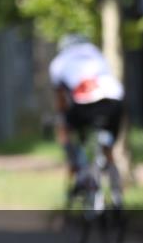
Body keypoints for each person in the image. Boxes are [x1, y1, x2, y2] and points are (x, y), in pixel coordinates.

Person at [49, 33, 125, 205]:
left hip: (85, 103)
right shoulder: (96, 53)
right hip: (114, 102)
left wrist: (62, 120)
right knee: (108, 148)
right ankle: (117, 196)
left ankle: (78, 166)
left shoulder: (58, 63)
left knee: (64, 128)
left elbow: (61, 101)